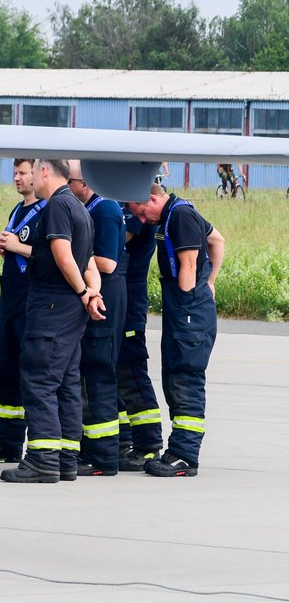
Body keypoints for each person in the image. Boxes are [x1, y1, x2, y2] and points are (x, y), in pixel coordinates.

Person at [2, 159, 105, 484]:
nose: (28, 177)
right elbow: (88, 262)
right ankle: (65, 458)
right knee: (66, 382)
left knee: (39, 379)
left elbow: (63, 255)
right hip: (70, 310)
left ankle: (42, 460)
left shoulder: (57, 206)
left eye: (31, 172)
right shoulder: (80, 209)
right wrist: (91, 293)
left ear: (45, 171)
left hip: (52, 305)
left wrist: (82, 292)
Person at [126, 185, 225, 477]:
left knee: (185, 379)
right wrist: (210, 282)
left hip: (188, 312)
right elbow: (216, 240)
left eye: (142, 212)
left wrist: (187, 297)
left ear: (153, 198)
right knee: (174, 377)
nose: (142, 220)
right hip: (187, 309)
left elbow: (190, 262)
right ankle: (178, 448)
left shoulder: (180, 216)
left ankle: (185, 455)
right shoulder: (175, 213)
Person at [0, 159, 44, 464]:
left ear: (38, 175)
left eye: (23, 173)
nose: (17, 178)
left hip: (32, 298)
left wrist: (17, 247)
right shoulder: (19, 210)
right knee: (4, 368)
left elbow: (54, 255)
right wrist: (5, 247)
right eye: (15, 173)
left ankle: (38, 444)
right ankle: (5, 441)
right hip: (10, 298)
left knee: (31, 372)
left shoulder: (49, 211)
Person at [68, 161, 127, 476]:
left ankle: (103, 456)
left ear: (84, 183)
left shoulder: (103, 210)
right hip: (100, 296)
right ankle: (93, 450)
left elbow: (106, 262)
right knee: (90, 374)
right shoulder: (95, 206)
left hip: (106, 297)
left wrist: (71, 253)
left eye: (72, 182)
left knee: (99, 375)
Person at [116, 200, 163, 470]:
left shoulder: (134, 213)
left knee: (132, 370)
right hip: (119, 293)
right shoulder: (121, 205)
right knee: (116, 371)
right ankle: (126, 439)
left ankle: (148, 444)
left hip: (130, 296)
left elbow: (116, 239)